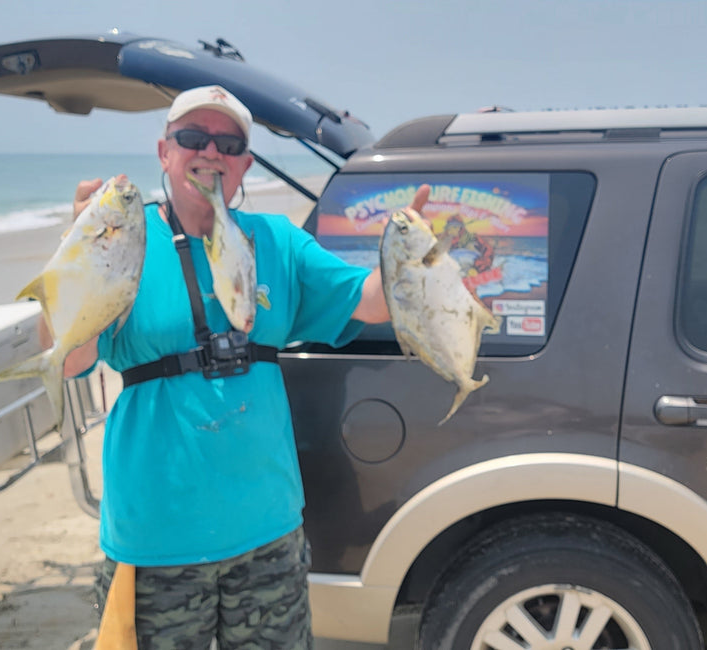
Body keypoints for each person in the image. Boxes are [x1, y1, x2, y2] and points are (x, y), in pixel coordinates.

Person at [54, 85, 429, 649]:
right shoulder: (121, 236)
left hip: (267, 534)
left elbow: (370, 302)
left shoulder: (276, 241)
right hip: (155, 541)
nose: (210, 152)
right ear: (164, 152)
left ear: (245, 163)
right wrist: (76, 250)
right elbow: (69, 358)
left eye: (227, 143)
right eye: (192, 138)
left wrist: (407, 252)